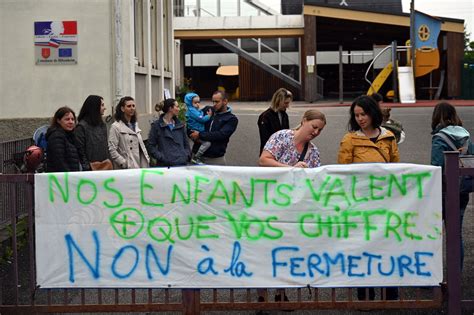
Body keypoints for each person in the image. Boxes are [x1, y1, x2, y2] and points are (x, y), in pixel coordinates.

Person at [337, 95, 399, 301]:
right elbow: (342, 172)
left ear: (373, 113)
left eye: (363, 114)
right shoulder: (350, 139)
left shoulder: (389, 137)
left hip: (385, 201)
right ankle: (365, 294)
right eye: (356, 115)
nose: (360, 118)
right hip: (360, 203)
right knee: (363, 248)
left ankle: (390, 294)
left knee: (386, 246)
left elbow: (397, 169)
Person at [431, 102, 471, 268]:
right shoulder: (465, 136)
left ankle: (432, 276)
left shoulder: (440, 138)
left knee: (432, 233)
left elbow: (437, 165)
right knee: (456, 235)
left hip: (443, 192)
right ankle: (456, 274)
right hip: (462, 191)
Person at [259, 109, 326, 168]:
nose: (316, 132)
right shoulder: (282, 136)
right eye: (314, 127)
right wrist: (291, 169)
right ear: (304, 121)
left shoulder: (314, 152)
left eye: (320, 130)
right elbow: (263, 161)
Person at [189, 91, 238, 165]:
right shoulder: (207, 110)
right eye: (213, 102)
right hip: (195, 156)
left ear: (225, 101)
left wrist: (200, 135)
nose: (214, 104)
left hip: (215, 159)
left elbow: (221, 135)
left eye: (217, 102)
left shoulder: (231, 119)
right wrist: (190, 133)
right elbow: (192, 120)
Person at [108, 96, 149, 169]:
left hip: (139, 165)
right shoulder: (115, 127)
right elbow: (112, 149)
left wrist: (146, 159)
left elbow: (141, 146)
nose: (132, 108)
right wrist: (124, 163)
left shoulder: (135, 125)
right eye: (129, 106)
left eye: (133, 106)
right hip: (126, 168)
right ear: (122, 109)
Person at [148, 98, 190, 167]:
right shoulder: (156, 126)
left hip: (182, 165)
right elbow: (151, 146)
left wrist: (186, 156)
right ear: (170, 108)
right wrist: (162, 157)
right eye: (177, 106)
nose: (179, 109)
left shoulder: (180, 125)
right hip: (165, 167)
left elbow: (186, 144)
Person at [75, 95, 110, 171]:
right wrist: (87, 167)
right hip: (90, 171)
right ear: (95, 107)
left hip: (105, 168)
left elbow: (106, 147)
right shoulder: (81, 127)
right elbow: (80, 150)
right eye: (102, 105)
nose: (105, 108)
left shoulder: (102, 125)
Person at [45, 106, 83, 172]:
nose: (71, 122)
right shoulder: (56, 137)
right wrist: (69, 177)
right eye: (67, 119)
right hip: (61, 179)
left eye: (73, 119)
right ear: (58, 121)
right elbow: (59, 161)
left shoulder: (71, 136)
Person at [257, 88, 292, 154]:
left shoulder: (284, 115)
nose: (287, 106)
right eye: (285, 103)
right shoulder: (265, 116)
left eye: (288, 103)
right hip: (269, 152)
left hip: (282, 152)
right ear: (278, 101)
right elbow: (265, 139)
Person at [184, 92, 212, 164]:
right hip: (194, 131)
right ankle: (196, 157)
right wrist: (208, 116)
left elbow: (199, 114)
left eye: (198, 102)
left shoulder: (193, 110)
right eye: (195, 102)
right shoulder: (192, 111)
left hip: (195, 130)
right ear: (190, 103)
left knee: (201, 143)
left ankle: (194, 157)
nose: (198, 104)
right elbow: (201, 119)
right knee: (207, 143)